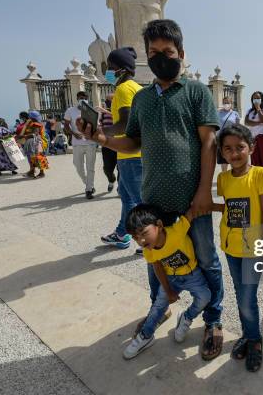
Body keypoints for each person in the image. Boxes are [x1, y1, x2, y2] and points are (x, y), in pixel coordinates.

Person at [80, 19, 224, 360]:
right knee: (153, 259)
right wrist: (102, 138)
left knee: (206, 259)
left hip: (193, 201)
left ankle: (213, 317)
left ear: (182, 54)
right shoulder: (142, 99)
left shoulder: (196, 92)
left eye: (168, 52)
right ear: (146, 56)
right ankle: (159, 308)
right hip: (154, 201)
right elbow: (132, 140)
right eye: (154, 52)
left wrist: (205, 190)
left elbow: (209, 142)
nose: (162, 58)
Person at [212, 124, 263, 372]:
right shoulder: (223, 178)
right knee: (240, 294)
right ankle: (248, 335)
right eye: (228, 149)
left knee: (247, 299)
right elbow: (229, 207)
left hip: (254, 248)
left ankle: (255, 340)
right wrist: (207, 207)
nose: (234, 153)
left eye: (240, 147)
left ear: (251, 147)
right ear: (222, 152)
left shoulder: (260, 174)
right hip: (231, 247)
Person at [123, 204, 211, 359]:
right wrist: (168, 290)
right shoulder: (148, 250)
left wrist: (222, 207)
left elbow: (193, 211)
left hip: (193, 275)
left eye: (144, 233)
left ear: (159, 225)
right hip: (171, 278)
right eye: (135, 237)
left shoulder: (177, 230)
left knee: (205, 297)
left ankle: (186, 317)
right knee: (158, 307)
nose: (141, 240)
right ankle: (146, 336)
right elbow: (157, 267)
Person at [98, 48, 143, 249]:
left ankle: (153, 242)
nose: (108, 71)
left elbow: (125, 123)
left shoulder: (124, 89)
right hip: (130, 155)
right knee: (127, 198)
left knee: (141, 202)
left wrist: (101, 132)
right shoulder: (136, 87)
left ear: (122, 69)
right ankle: (122, 233)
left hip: (130, 155)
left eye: (111, 67)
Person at [63, 92, 97, 198]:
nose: (82, 99)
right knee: (78, 166)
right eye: (80, 98)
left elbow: (96, 126)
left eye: (85, 98)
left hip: (90, 143)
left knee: (90, 167)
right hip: (77, 143)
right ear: (77, 98)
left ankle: (89, 189)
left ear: (88, 99)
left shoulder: (92, 111)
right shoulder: (70, 111)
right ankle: (88, 183)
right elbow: (66, 126)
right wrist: (74, 134)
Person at [20, 111, 49, 179]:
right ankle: (31, 172)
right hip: (32, 142)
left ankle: (41, 173)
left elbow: (35, 134)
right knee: (32, 157)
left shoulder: (36, 124)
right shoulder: (31, 124)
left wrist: (24, 136)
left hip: (36, 142)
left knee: (38, 156)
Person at [216, 96, 240, 172]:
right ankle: (224, 176)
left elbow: (238, 127)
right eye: (225, 103)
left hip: (232, 139)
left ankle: (234, 177)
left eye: (228, 102)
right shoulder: (218, 113)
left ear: (231, 103)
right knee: (223, 160)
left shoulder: (235, 114)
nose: (226, 104)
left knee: (233, 158)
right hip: (222, 139)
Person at [100, 94, 118, 192]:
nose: (108, 102)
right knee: (107, 168)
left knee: (121, 168)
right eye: (107, 100)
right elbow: (100, 126)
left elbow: (117, 117)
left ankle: (121, 187)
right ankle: (111, 180)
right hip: (107, 144)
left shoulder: (121, 111)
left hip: (119, 143)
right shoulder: (103, 114)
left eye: (110, 100)